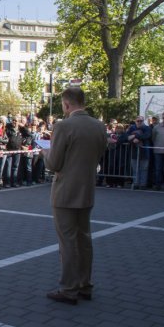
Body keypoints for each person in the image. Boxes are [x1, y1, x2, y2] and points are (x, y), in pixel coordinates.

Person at [44, 87, 107, 305]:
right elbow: (99, 154)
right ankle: (84, 284)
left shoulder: (63, 126)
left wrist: (45, 153)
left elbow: (54, 163)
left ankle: (69, 288)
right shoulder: (99, 126)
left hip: (66, 192)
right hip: (87, 189)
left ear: (67, 104)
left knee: (68, 242)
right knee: (84, 239)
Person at [126, 116, 152, 189]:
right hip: (134, 152)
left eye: (141, 121)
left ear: (143, 121)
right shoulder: (132, 128)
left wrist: (135, 136)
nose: (139, 122)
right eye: (138, 121)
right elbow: (126, 137)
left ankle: (143, 184)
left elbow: (147, 136)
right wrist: (132, 140)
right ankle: (136, 183)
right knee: (135, 169)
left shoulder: (147, 128)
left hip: (145, 152)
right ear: (135, 121)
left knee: (144, 169)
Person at [152, 112, 164, 190]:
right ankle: (157, 184)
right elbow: (153, 138)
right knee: (158, 168)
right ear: (162, 118)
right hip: (158, 152)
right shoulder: (156, 127)